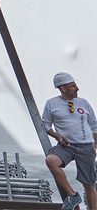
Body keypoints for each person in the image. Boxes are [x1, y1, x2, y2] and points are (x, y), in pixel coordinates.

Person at [44, 72, 97, 210]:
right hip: (66, 146)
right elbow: (46, 125)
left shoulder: (83, 103)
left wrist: (95, 145)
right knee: (51, 161)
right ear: (63, 88)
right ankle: (73, 195)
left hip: (86, 146)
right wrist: (57, 136)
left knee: (89, 184)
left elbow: (94, 125)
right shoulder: (51, 103)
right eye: (73, 86)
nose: (77, 88)